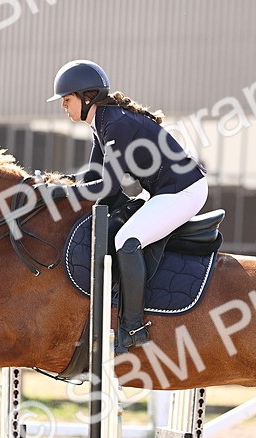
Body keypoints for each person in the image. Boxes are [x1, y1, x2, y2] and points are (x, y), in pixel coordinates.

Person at [49, 59, 208, 352]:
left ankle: (134, 327)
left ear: (87, 97)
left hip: (183, 191)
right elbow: (95, 175)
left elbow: (107, 187)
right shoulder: (102, 121)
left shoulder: (116, 123)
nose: (63, 107)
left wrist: (59, 196)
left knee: (126, 240)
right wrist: (59, 182)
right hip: (166, 190)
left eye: (67, 100)